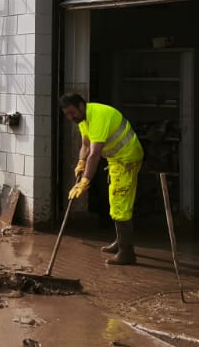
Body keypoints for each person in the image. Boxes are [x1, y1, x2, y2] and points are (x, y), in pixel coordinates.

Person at [60, 92, 144, 266]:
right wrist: (80, 162)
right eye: (66, 114)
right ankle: (120, 242)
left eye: (71, 113)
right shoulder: (84, 119)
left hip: (127, 159)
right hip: (115, 159)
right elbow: (85, 145)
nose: (70, 117)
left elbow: (95, 153)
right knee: (115, 200)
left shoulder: (98, 116)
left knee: (120, 204)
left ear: (81, 106)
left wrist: (85, 180)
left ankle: (126, 253)